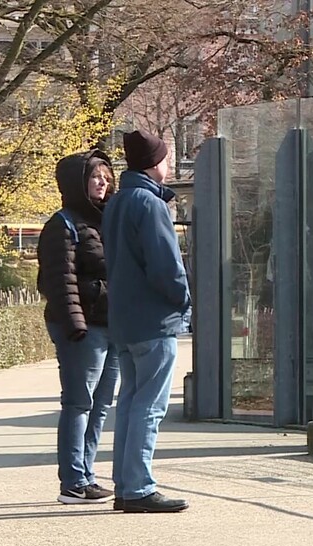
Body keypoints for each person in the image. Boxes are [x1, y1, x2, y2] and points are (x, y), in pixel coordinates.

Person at [101, 131, 191, 513]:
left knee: (131, 402)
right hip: (153, 319)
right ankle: (138, 487)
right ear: (156, 163)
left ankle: (126, 485)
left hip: (124, 318)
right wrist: (184, 298)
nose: (168, 165)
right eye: (167, 159)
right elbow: (165, 264)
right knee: (150, 406)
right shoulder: (149, 204)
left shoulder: (118, 201)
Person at [37, 149, 120, 505]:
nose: (102, 183)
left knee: (101, 404)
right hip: (84, 329)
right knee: (78, 403)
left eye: (105, 177)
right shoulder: (63, 224)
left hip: (113, 325)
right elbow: (58, 281)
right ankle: (72, 480)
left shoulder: (107, 222)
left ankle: (87, 474)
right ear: (77, 183)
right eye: (94, 177)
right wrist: (76, 325)